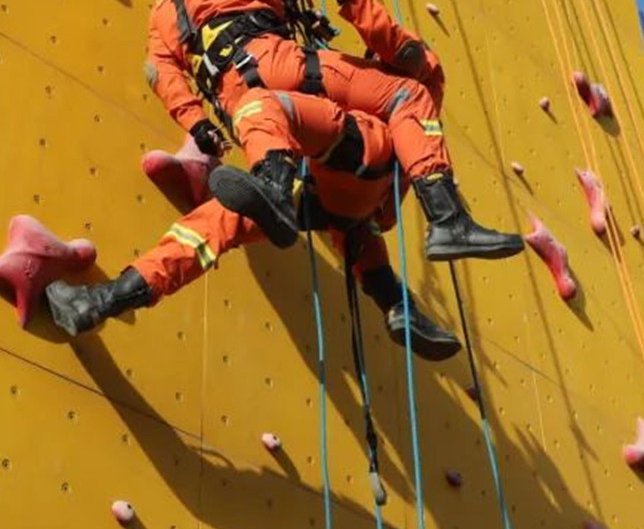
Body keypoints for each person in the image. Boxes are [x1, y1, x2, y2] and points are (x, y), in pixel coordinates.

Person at [144, 0, 523, 263]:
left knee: (310, 150)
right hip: (276, 62)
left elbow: (160, 72)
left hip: (236, 108)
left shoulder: (163, 4)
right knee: (409, 94)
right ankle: (448, 218)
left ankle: (286, 195)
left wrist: (198, 125)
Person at [45, 90, 462, 360]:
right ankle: (399, 306)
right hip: (351, 202)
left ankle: (104, 300)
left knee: (215, 221)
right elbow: (381, 218)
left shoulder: (379, 101)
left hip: (333, 169)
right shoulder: (418, 138)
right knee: (356, 231)